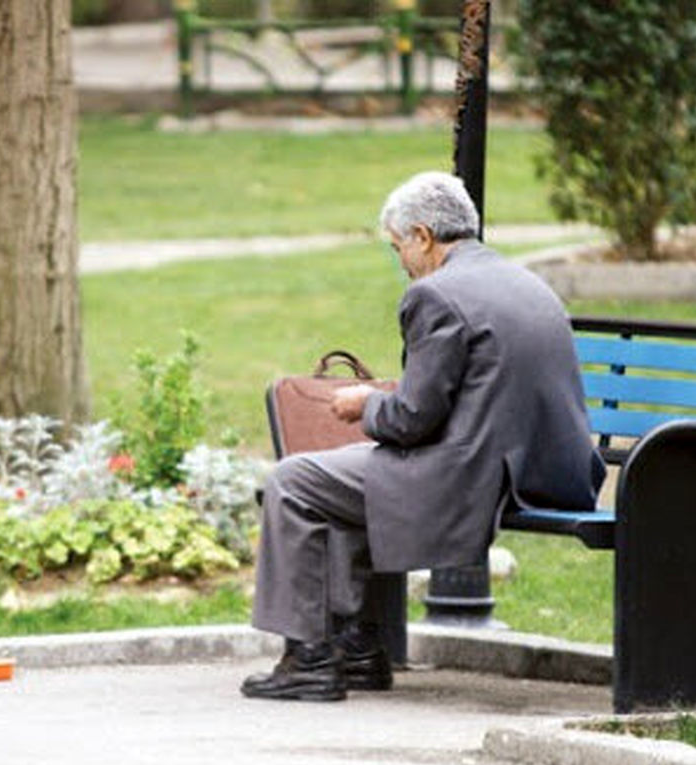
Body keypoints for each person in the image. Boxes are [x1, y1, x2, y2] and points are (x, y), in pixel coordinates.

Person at [242, 171, 607, 701]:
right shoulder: (526, 281)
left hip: (470, 476)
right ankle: (358, 650)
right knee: (340, 483)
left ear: (423, 236)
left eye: (398, 248)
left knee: (296, 481)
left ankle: (310, 658)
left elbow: (412, 419)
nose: (402, 263)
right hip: (544, 471)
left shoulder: (435, 295)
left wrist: (366, 403)